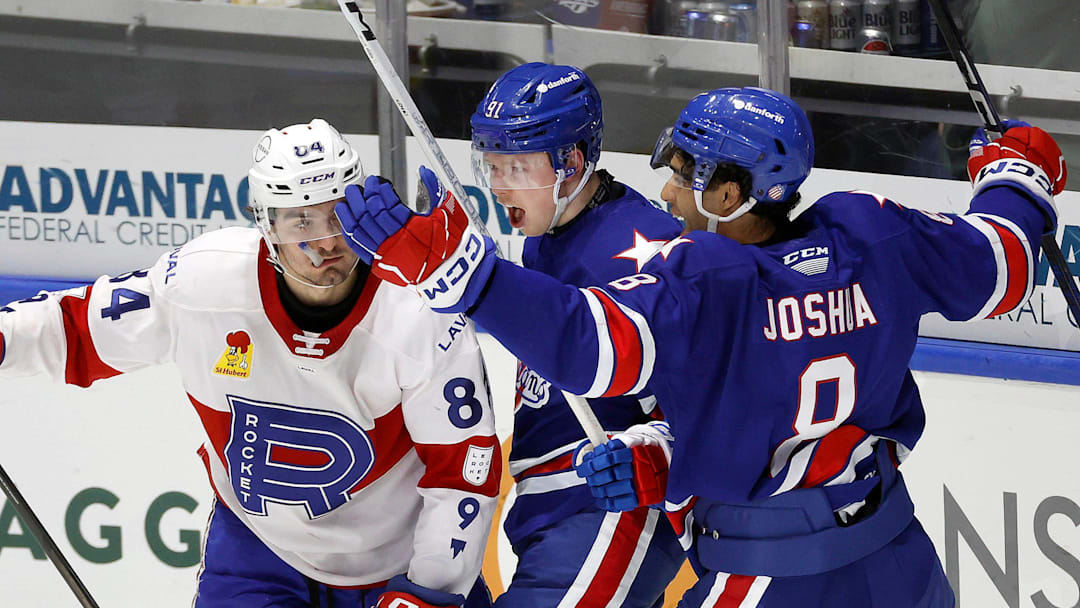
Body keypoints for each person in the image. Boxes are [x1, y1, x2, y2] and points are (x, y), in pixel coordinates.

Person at [333, 88, 1066, 606]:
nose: (668, 192)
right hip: (896, 553)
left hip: (770, 571)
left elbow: (590, 347)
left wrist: (462, 275)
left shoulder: (708, 279)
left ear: (730, 195)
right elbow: (1000, 259)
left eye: (685, 175)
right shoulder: (873, 233)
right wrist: (1017, 172)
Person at [0, 119, 500, 608]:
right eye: (300, 221)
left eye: (336, 215)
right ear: (266, 223)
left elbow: (464, 473)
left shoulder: (419, 309)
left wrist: (428, 592)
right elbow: (77, 330)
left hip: (402, 557)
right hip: (260, 548)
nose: (324, 242)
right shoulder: (203, 283)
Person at [470, 62, 685, 606]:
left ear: (572, 162)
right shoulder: (550, 228)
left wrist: (655, 452)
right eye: (492, 167)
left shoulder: (650, 251)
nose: (499, 187)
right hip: (549, 506)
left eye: (517, 168)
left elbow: (714, 406)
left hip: (612, 509)